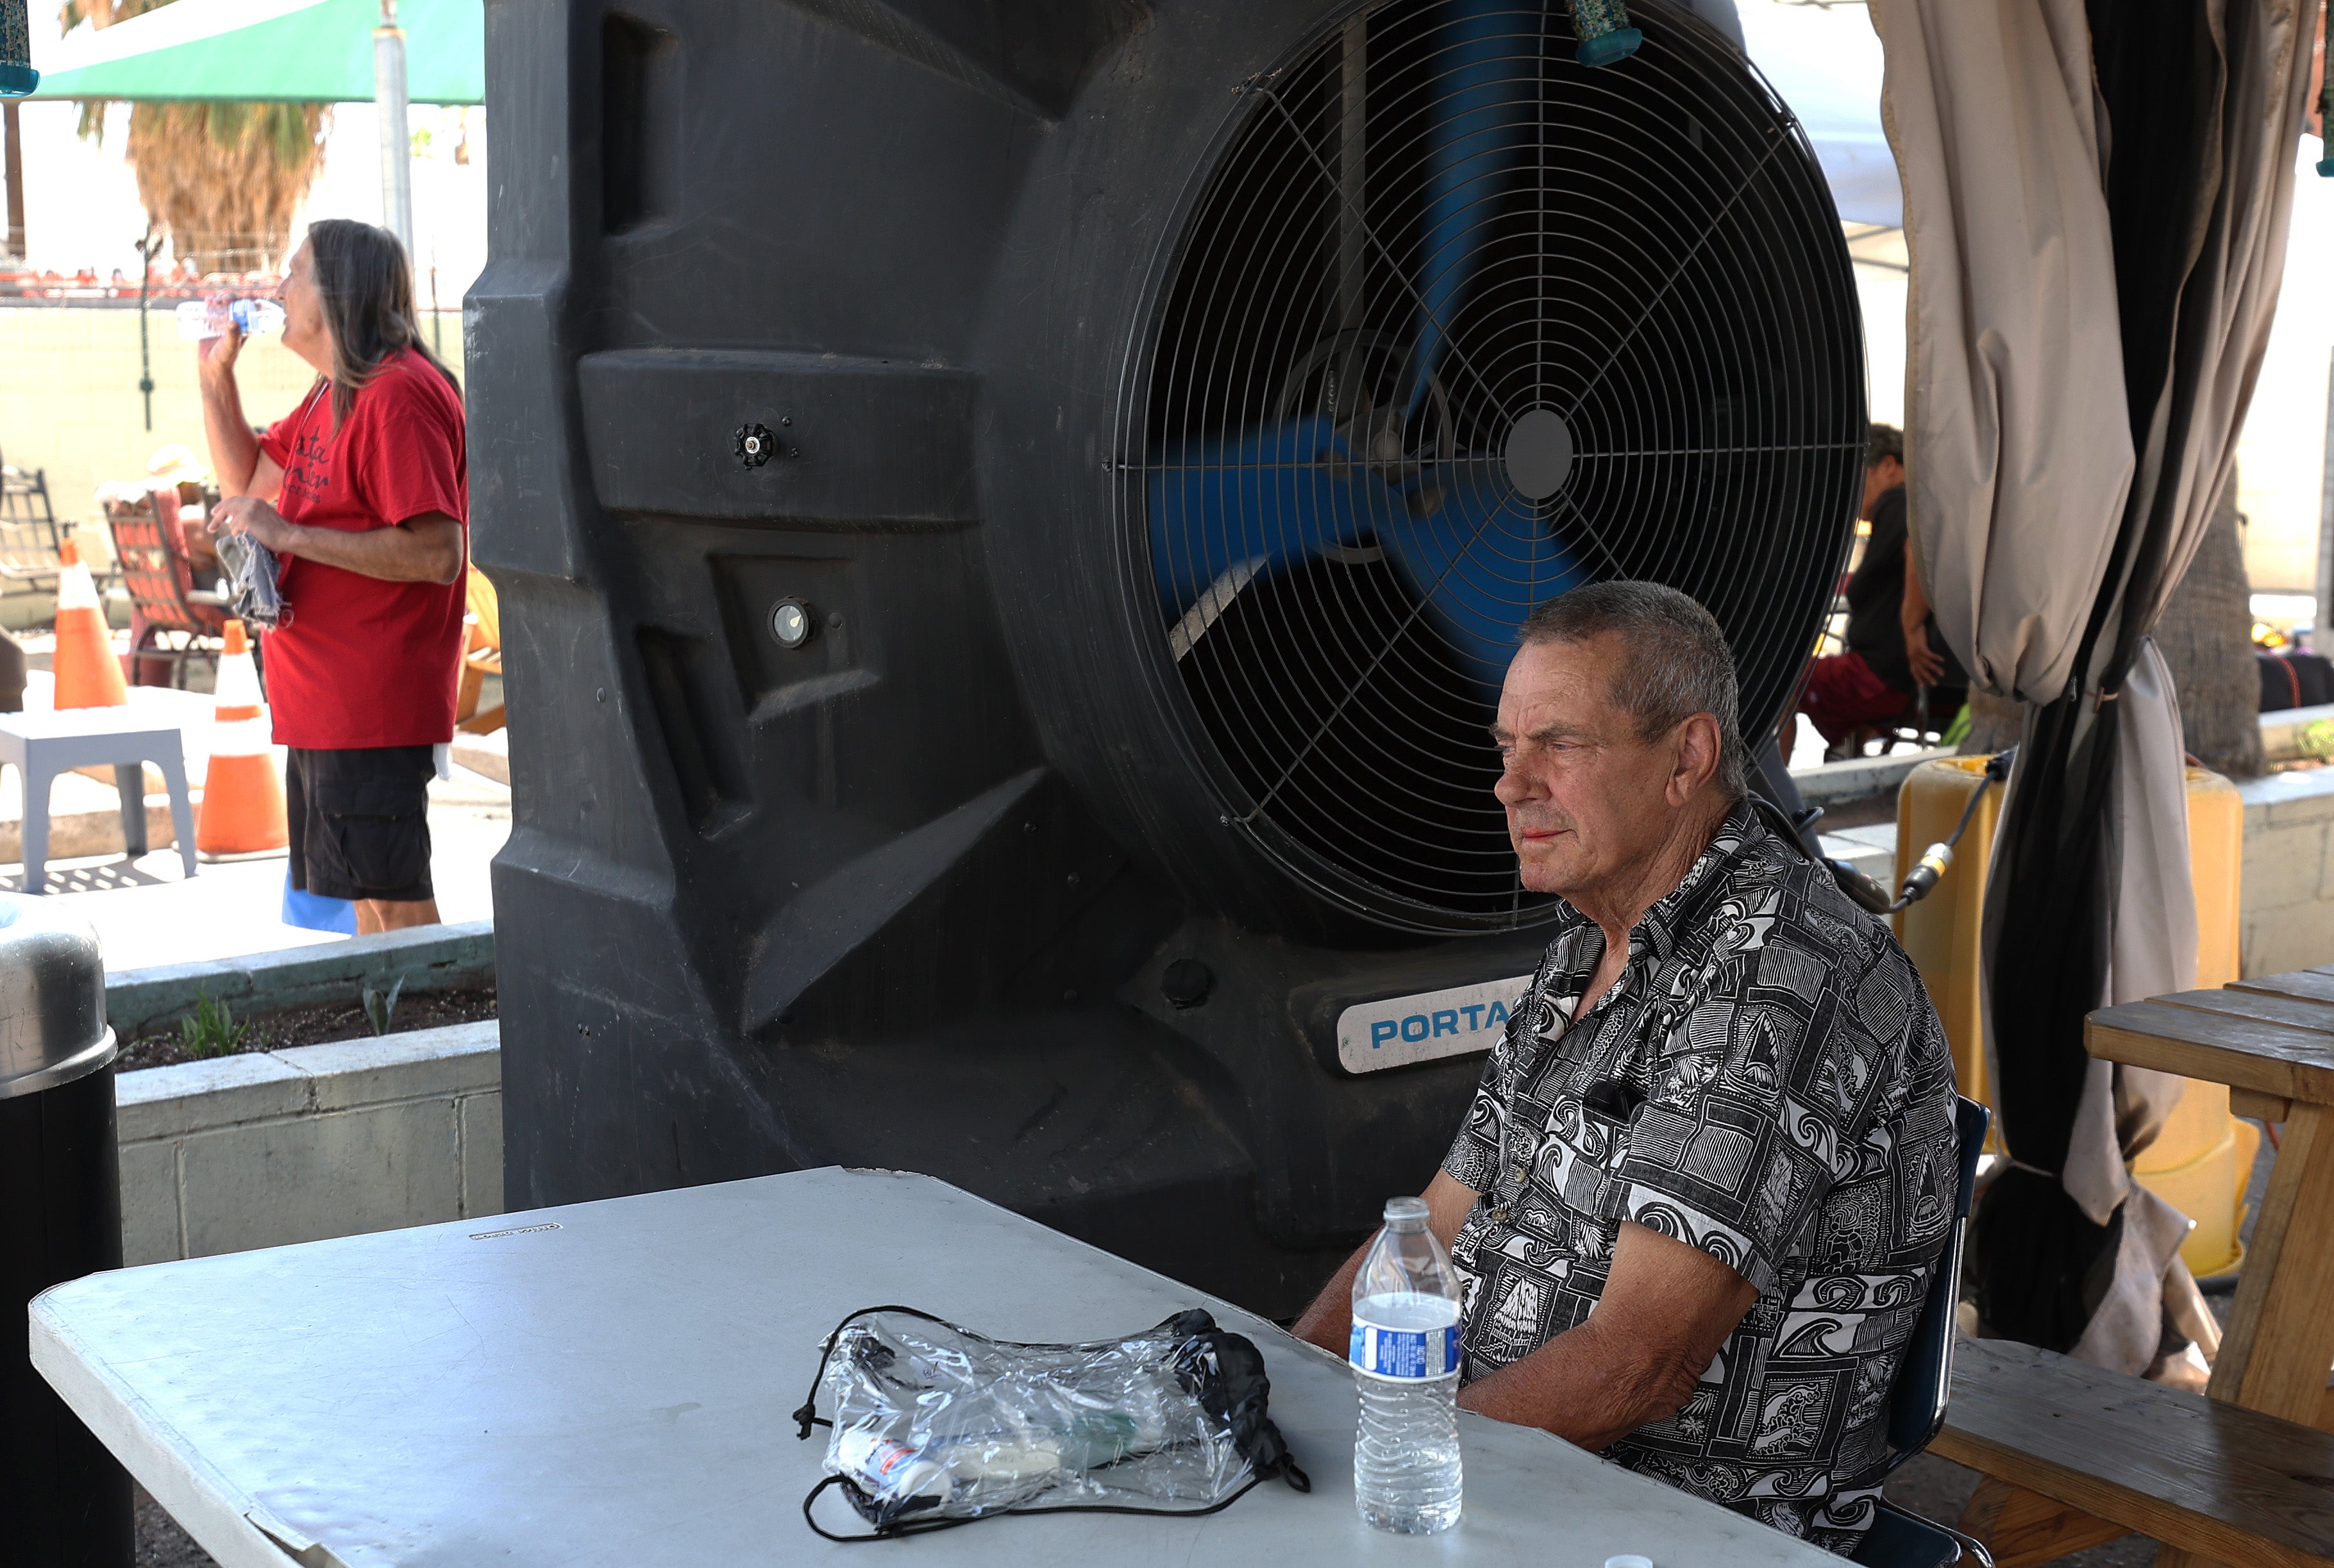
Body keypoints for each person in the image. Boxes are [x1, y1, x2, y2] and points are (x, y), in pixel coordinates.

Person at [1292, 581, 1960, 1554]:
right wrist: (1278, 1388)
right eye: (1506, 749)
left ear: (1686, 756)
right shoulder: (1588, 946)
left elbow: (1637, 1365)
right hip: (1493, 1476)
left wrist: (1390, 1471)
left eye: (1559, 745)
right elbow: (1431, 1228)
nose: (1511, 786)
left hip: (1679, 1527)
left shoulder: (1783, 975)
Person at [196, 219, 468, 935]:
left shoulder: (397, 394)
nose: (276, 289)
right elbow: (249, 480)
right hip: (324, 708)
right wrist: (214, 375)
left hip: (370, 709)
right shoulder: (332, 393)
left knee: (399, 909)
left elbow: (438, 553)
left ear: (338, 292)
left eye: (293, 274)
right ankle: (404, 1044)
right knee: (369, 913)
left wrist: (290, 535)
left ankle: (449, 1043)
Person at [1797, 423, 1962, 755]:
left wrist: (1911, 626)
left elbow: (1918, 544)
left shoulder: (1899, 499)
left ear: (1889, 466)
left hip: (1882, 677)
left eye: (1859, 476)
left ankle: (1771, 797)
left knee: (1782, 682)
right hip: (1914, 682)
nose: (1852, 491)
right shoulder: (1922, 505)